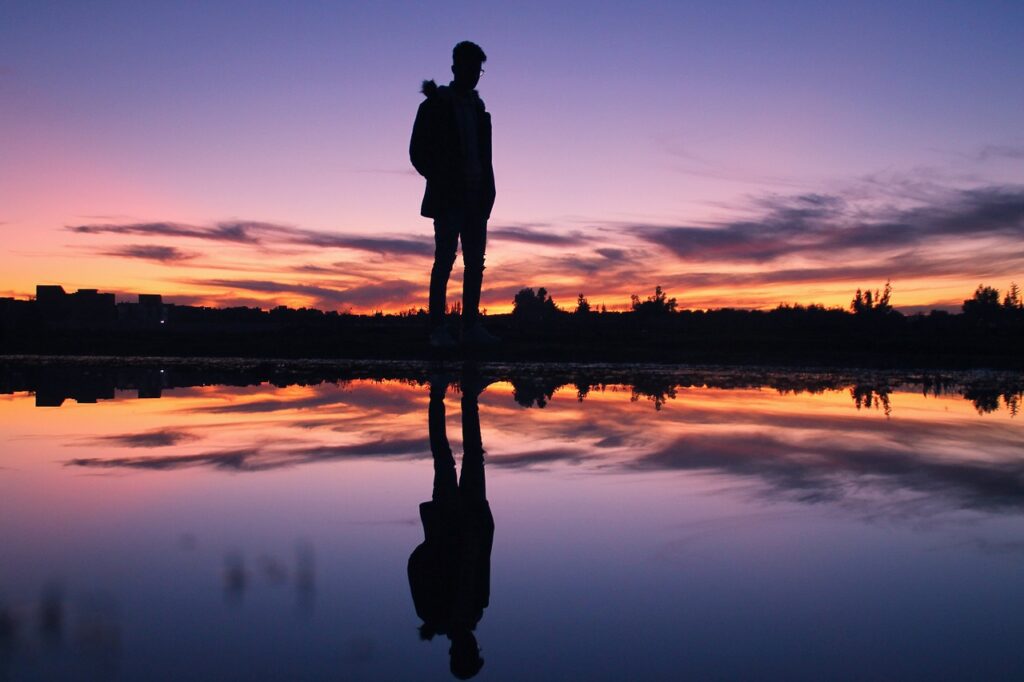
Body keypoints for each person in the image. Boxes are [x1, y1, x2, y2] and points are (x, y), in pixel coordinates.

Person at [410, 41, 499, 348]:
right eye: (470, 68)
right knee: (445, 260)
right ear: (456, 69)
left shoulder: (479, 111)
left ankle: (470, 326)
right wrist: (441, 179)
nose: (475, 75)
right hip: (449, 200)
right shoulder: (435, 106)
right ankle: (438, 329)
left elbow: (485, 159)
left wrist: (489, 192)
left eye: (479, 70)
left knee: (475, 262)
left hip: (476, 200)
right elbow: (417, 152)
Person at [408, 371, 494, 679]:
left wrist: (434, 541)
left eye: (471, 652)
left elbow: (416, 566)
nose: (474, 646)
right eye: (476, 651)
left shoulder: (437, 614)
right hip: (470, 515)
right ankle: (466, 395)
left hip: (451, 518)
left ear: (459, 652)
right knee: (463, 457)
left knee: (447, 458)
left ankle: (441, 394)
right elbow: (483, 556)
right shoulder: (475, 609)